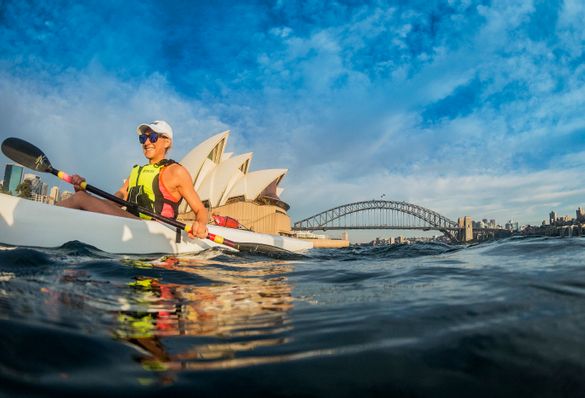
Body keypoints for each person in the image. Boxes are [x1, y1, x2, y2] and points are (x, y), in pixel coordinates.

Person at [57, 120, 208, 239]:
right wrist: (85, 193)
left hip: (154, 231)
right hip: (131, 224)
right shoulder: (136, 172)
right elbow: (113, 202)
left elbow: (200, 209)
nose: (146, 142)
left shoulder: (176, 171)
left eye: (153, 137)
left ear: (166, 142)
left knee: (81, 199)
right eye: (143, 138)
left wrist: (200, 224)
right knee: (82, 197)